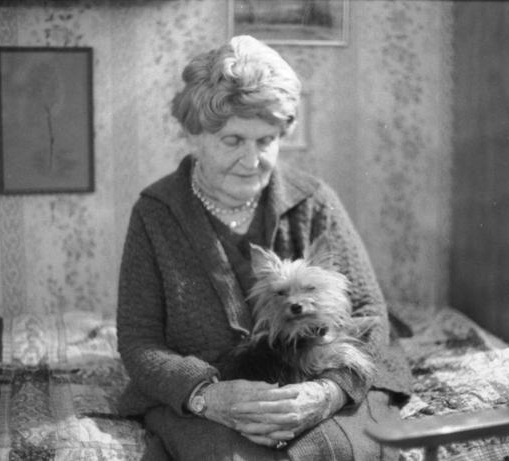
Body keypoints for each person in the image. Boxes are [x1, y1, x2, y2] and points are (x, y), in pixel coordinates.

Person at [116, 35, 411, 460]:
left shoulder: (314, 200)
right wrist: (206, 396)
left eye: (266, 140)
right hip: (209, 400)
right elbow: (140, 342)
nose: (252, 161)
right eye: (233, 141)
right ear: (194, 135)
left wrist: (328, 392)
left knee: (334, 450)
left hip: (321, 379)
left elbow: (369, 313)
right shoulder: (156, 213)